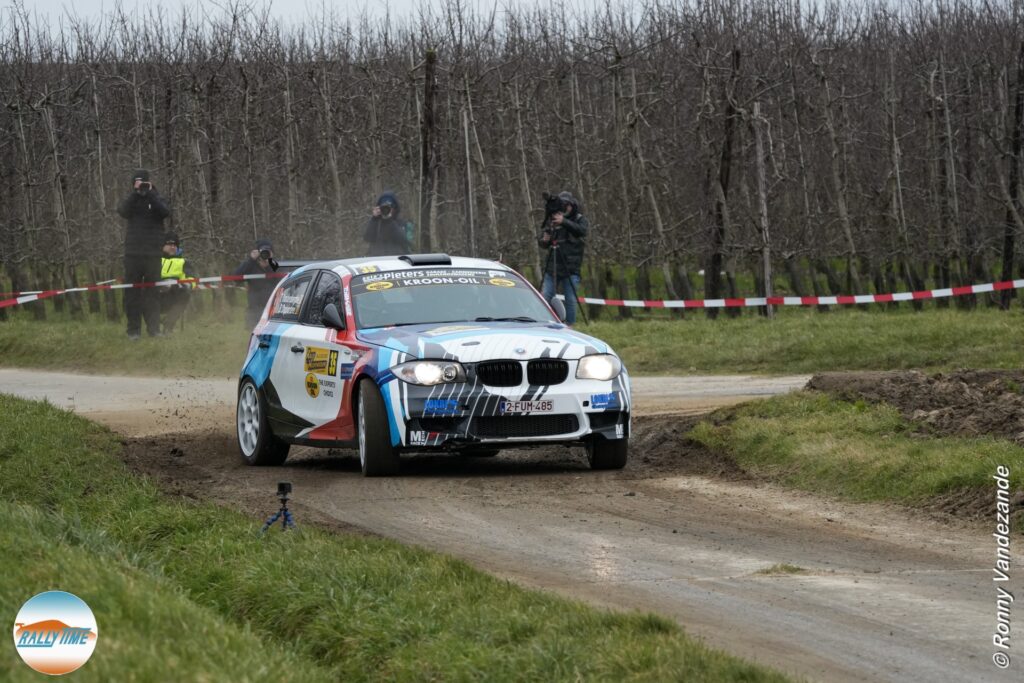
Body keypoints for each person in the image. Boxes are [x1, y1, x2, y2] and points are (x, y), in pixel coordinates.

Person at [118, 169, 171, 340]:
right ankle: (133, 331)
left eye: (144, 182)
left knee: (152, 293)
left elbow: (165, 212)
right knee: (132, 294)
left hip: (153, 253)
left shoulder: (157, 197)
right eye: (138, 183)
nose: (142, 186)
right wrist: (136, 194)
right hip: (133, 253)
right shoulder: (132, 200)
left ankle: (154, 330)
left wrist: (150, 194)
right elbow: (123, 211)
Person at [538, 191, 588, 325]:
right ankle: (543, 323)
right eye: (563, 205)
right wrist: (544, 240)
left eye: (567, 205)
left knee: (570, 299)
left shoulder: (579, 219)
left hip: (571, 268)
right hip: (553, 267)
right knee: (545, 296)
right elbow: (544, 243)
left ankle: (570, 326)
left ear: (572, 205)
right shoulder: (553, 219)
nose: (565, 208)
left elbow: (582, 231)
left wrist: (564, 222)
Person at [234, 239, 278, 328]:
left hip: (273, 309)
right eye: (263, 252)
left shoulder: (275, 265)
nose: (265, 254)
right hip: (254, 311)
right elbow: (236, 278)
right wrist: (251, 260)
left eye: (268, 252)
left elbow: (282, 278)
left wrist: (270, 264)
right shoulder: (251, 266)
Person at [159, 232, 196, 334]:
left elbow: (192, 279)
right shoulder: (155, 261)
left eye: (175, 245)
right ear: (163, 246)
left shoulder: (184, 262)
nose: (172, 247)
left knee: (185, 294)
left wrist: (186, 285)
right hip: (156, 294)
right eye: (169, 244)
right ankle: (153, 329)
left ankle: (168, 325)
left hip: (174, 295)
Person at [362, 192, 413, 256]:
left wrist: (389, 221)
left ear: (395, 208)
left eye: (389, 207)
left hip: (397, 260)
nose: (386, 210)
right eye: (383, 207)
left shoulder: (403, 223)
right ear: (379, 208)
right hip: (377, 260)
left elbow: (404, 240)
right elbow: (367, 238)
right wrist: (374, 219)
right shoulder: (375, 222)